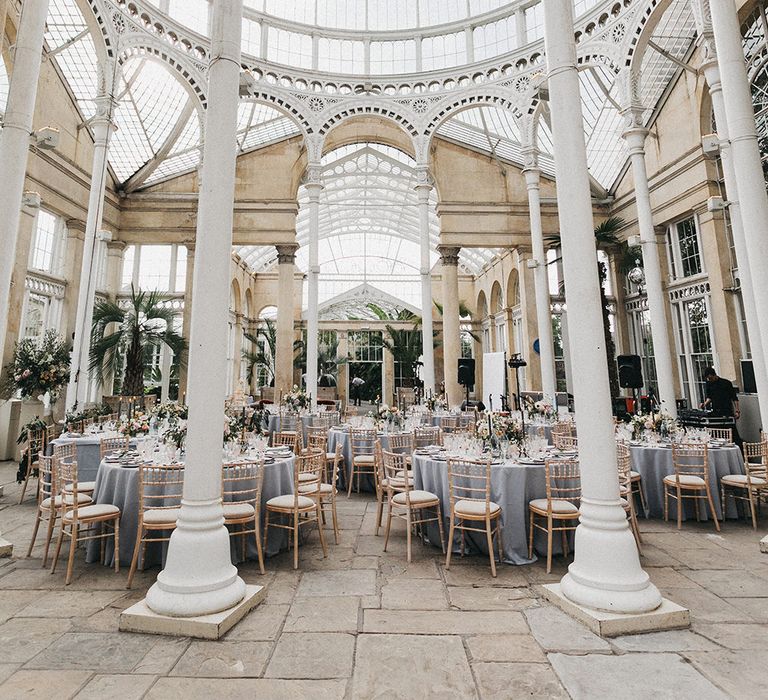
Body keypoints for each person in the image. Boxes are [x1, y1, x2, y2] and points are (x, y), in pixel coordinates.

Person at [701, 367, 741, 445]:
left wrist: (737, 410)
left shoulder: (726, 383)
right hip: (716, 411)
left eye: (710, 378)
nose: (709, 380)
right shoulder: (709, 384)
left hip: (727, 411)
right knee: (716, 434)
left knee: (732, 433)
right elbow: (710, 397)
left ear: (713, 375)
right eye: (708, 379)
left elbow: (734, 398)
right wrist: (704, 404)